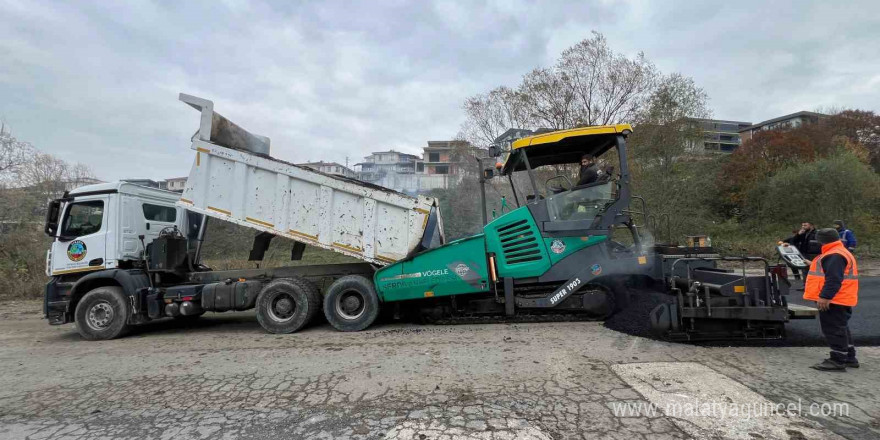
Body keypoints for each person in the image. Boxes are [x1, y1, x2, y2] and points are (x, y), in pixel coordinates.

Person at [804, 228, 859, 371]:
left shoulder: (834, 255)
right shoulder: (838, 252)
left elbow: (834, 279)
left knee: (833, 329)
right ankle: (849, 357)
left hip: (834, 299)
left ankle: (837, 360)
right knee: (841, 327)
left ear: (822, 240)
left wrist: (824, 297)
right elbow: (831, 272)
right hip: (841, 298)